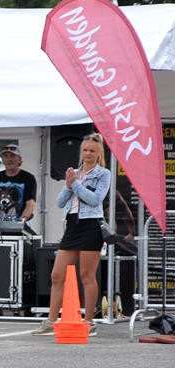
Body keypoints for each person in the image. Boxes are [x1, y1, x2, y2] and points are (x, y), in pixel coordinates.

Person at [32, 133, 111, 337]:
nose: (87, 153)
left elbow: (94, 200)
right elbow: (59, 202)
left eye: (92, 150)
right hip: (72, 226)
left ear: (99, 153)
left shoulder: (103, 174)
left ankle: (88, 321)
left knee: (86, 275)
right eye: (85, 150)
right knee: (57, 275)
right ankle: (51, 320)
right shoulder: (74, 172)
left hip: (90, 225)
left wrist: (75, 184)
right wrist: (70, 184)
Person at [0, 143, 37, 222]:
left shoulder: (28, 178)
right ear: (2, 160)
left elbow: (30, 203)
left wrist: (21, 221)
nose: (9, 159)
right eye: (6, 156)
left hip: (20, 223)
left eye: (12, 156)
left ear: (19, 159)